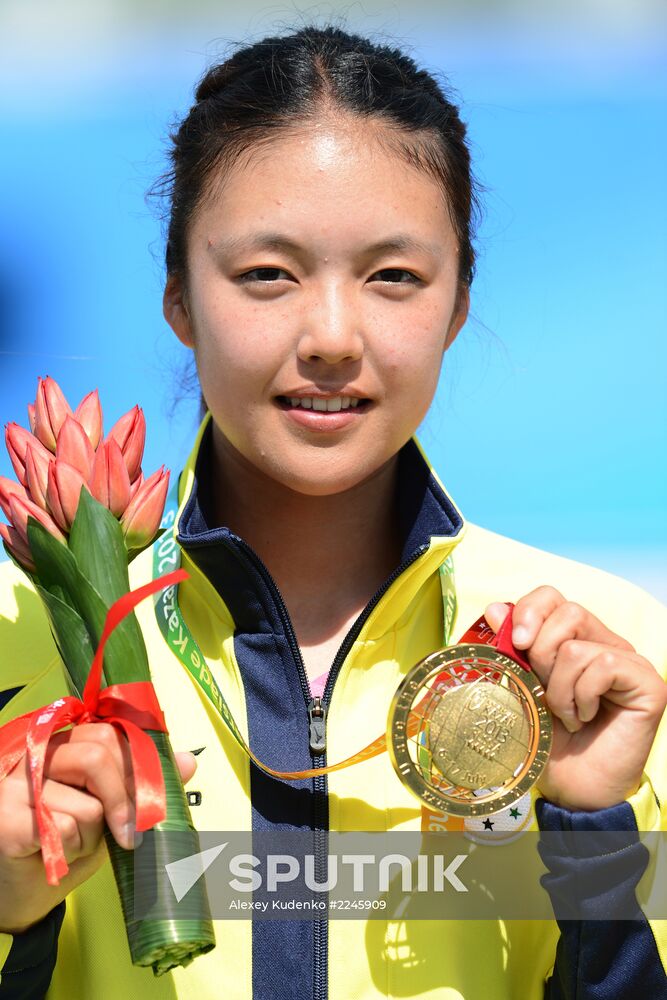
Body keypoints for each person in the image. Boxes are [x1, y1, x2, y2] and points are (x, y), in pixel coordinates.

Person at [0, 23, 666, 1000]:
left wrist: (594, 836)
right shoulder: (21, 642)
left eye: (394, 276)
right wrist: (14, 909)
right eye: (267, 273)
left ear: (459, 302)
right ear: (177, 294)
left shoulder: (612, 667)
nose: (330, 336)